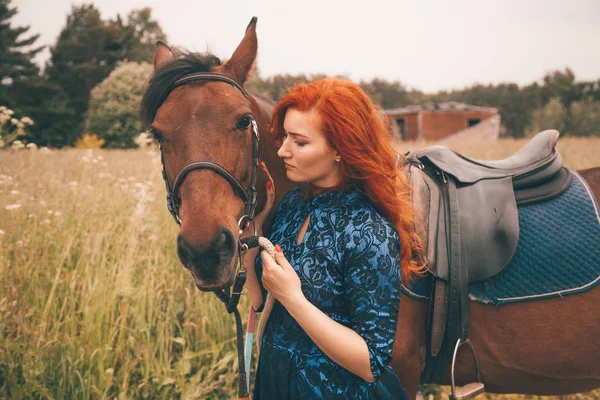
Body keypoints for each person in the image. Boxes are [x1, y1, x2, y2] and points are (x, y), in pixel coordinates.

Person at [245, 78, 424, 399]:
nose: (283, 150)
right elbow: (262, 305)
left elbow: (371, 362)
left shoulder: (369, 231)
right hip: (275, 383)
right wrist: (252, 242)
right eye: (284, 136)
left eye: (299, 142)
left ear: (341, 149)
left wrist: (294, 298)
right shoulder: (291, 204)